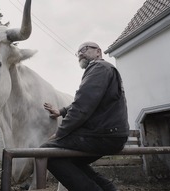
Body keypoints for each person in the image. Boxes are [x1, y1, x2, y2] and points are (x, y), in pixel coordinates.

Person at [40, 41, 130, 191]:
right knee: (72, 161)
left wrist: (60, 133)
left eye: (85, 49)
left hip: (103, 134)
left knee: (48, 152)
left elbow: (82, 106)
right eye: (78, 52)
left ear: (98, 52)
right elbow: (87, 100)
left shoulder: (99, 67)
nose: (81, 53)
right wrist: (61, 111)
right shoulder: (104, 70)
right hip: (111, 134)